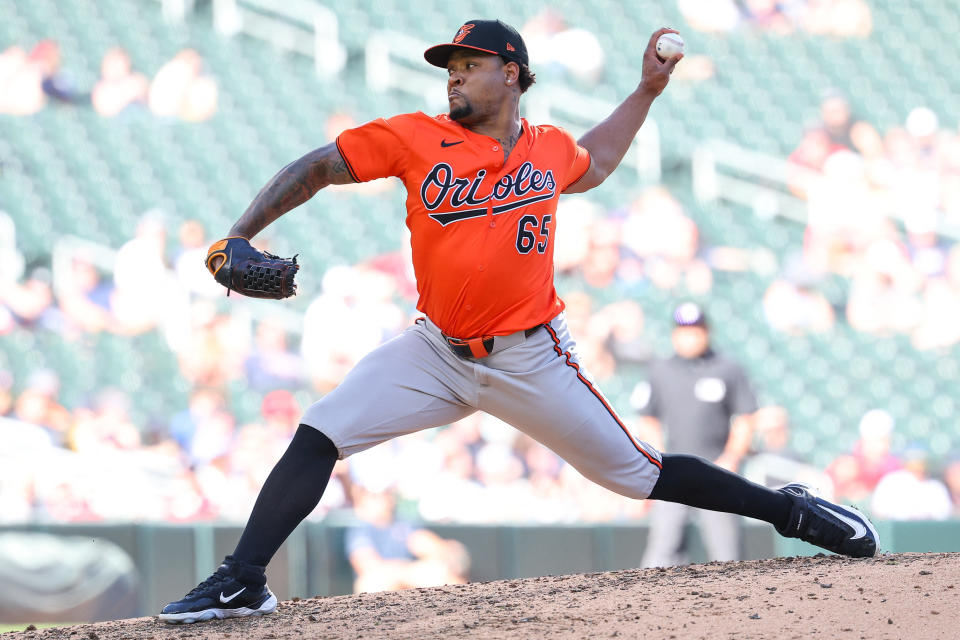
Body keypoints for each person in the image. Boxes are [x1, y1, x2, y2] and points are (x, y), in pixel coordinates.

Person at [160, 19, 879, 624]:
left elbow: (594, 161)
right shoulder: (415, 137)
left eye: (468, 66)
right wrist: (239, 232)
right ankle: (242, 579)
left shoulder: (546, 150)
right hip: (434, 350)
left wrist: (647, 90)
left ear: (510, 73)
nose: (453, 79)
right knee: (320, 431)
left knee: (636, 474)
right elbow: (317, 166)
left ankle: (790, 512)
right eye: (450, 68)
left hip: (531, 357)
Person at [634, 303, 757, 566]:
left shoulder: (727, 368)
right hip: (672, 470)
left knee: (727, 554)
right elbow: (648, 417)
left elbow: (745, 417)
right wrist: (659, 456)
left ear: (707, 332)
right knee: (662, 551)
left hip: (716, 468)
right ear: (674, 334)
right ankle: (653, 605)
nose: (689, 337)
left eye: (695, 330)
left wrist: (732, 457)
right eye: (683, 331)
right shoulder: (660, 370)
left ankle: (732, 604)